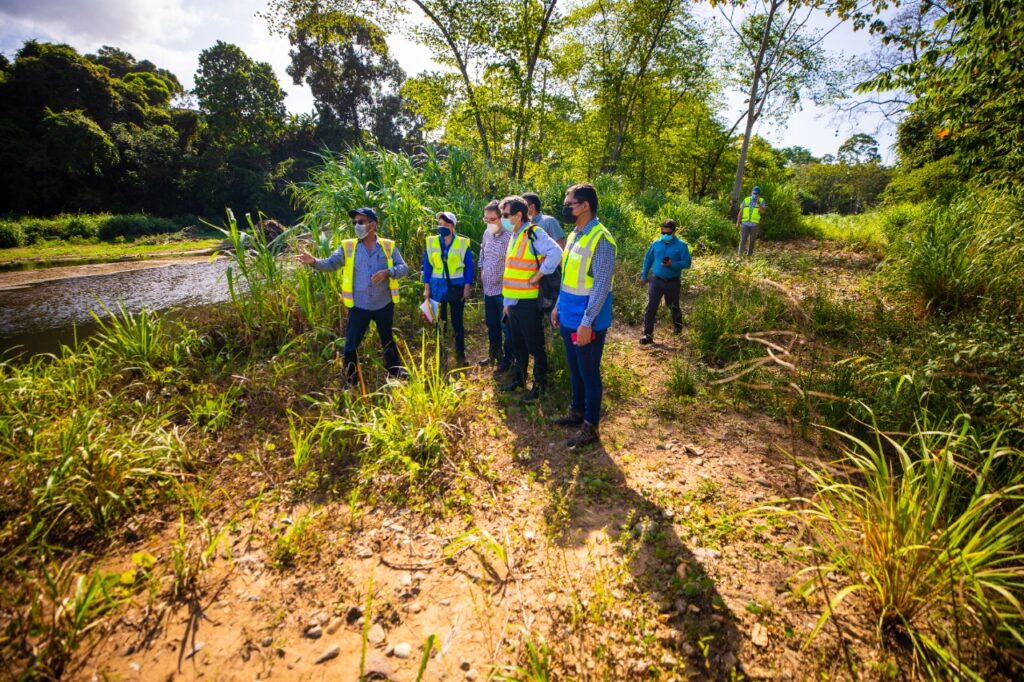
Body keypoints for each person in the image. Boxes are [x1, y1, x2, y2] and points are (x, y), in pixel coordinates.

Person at [297, 207, 410, 381]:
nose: (357, 225)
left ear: (373, 224)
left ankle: (395, 371)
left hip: (383, 303)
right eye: (354, 222)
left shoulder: (388, 246)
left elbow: (404, 268)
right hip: (359, 305)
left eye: (361, 222)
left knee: (387, 339)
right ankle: (351, 380)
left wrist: (387, 272)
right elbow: (331, 264)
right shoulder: (348, 247)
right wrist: (313, 262)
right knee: (350, 346)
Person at [551, 183, 617, 448]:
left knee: (589, 372)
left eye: (570, 204)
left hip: (587, 319)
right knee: (575, 368)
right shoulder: (574, 235)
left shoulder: (601, 238)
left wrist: (587, 323)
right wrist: (557, 306)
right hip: (568, 313)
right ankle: (576, 411)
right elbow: (567, 277)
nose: (566, 208)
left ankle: (590, 426)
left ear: (585, 205)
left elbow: (601, 285)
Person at [500, 195, 563, 402]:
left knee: (535, 345)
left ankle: (540, 385)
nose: (503, 219)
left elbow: (556, 252)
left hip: (528, 300)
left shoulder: (534, 233)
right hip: (514, 301)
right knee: (518, 343)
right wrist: (507, 304)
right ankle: (519, 378)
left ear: (519, 215)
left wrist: (539, 274)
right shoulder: (515, 235)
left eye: (506, 215)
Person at [423, 211, 474, 365]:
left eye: (446, 224)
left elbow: (469, 268)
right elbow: (427, 266)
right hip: (437, 287)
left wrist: (467, 287)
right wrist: (426, 289)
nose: (442, 227)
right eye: (440, 224)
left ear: (453, 226)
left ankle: (460, 356)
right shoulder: (431, 242)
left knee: (457, 322)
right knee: (440, 322)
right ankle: (441, 356)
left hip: (456, 287)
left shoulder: (463, 243)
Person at [639, 219, 691, 345]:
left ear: (674, 232)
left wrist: (673, 264)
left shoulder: (681, 246)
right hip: (656, 281)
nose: (665, 235)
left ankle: (678, 330)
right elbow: (648, 259)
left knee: (673, 307)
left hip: (673, 282)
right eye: (663, 232)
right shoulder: (656, 243)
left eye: (668, 233)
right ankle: (648, 334)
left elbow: (687, 263)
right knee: (651, 307)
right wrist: (644, 275)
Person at [478, 200, 515, 372]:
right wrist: (482, 271)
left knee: (506, 327)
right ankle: (494, 354)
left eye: (492, 219)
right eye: (486, 219)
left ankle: (508, 360)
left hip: (503, 291)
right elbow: (482, 253)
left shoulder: (510, 236)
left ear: (502, 218)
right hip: (488, 290)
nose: (489, 223)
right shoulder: (487, 233)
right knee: (492, 324)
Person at [736, 186, 767, 256]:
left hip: (754, 224)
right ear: (751, 193)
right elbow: (740, 212)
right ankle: (740, 255)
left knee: (752, 240)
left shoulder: (762, 201)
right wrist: (738, 222)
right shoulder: (746, 199)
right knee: (743, 239)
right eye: (754, 193)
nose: (755, 195)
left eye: (757, 194)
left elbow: (762, 212)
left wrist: (758, 203)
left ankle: (749, 255)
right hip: (745, 223)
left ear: (759, 195)